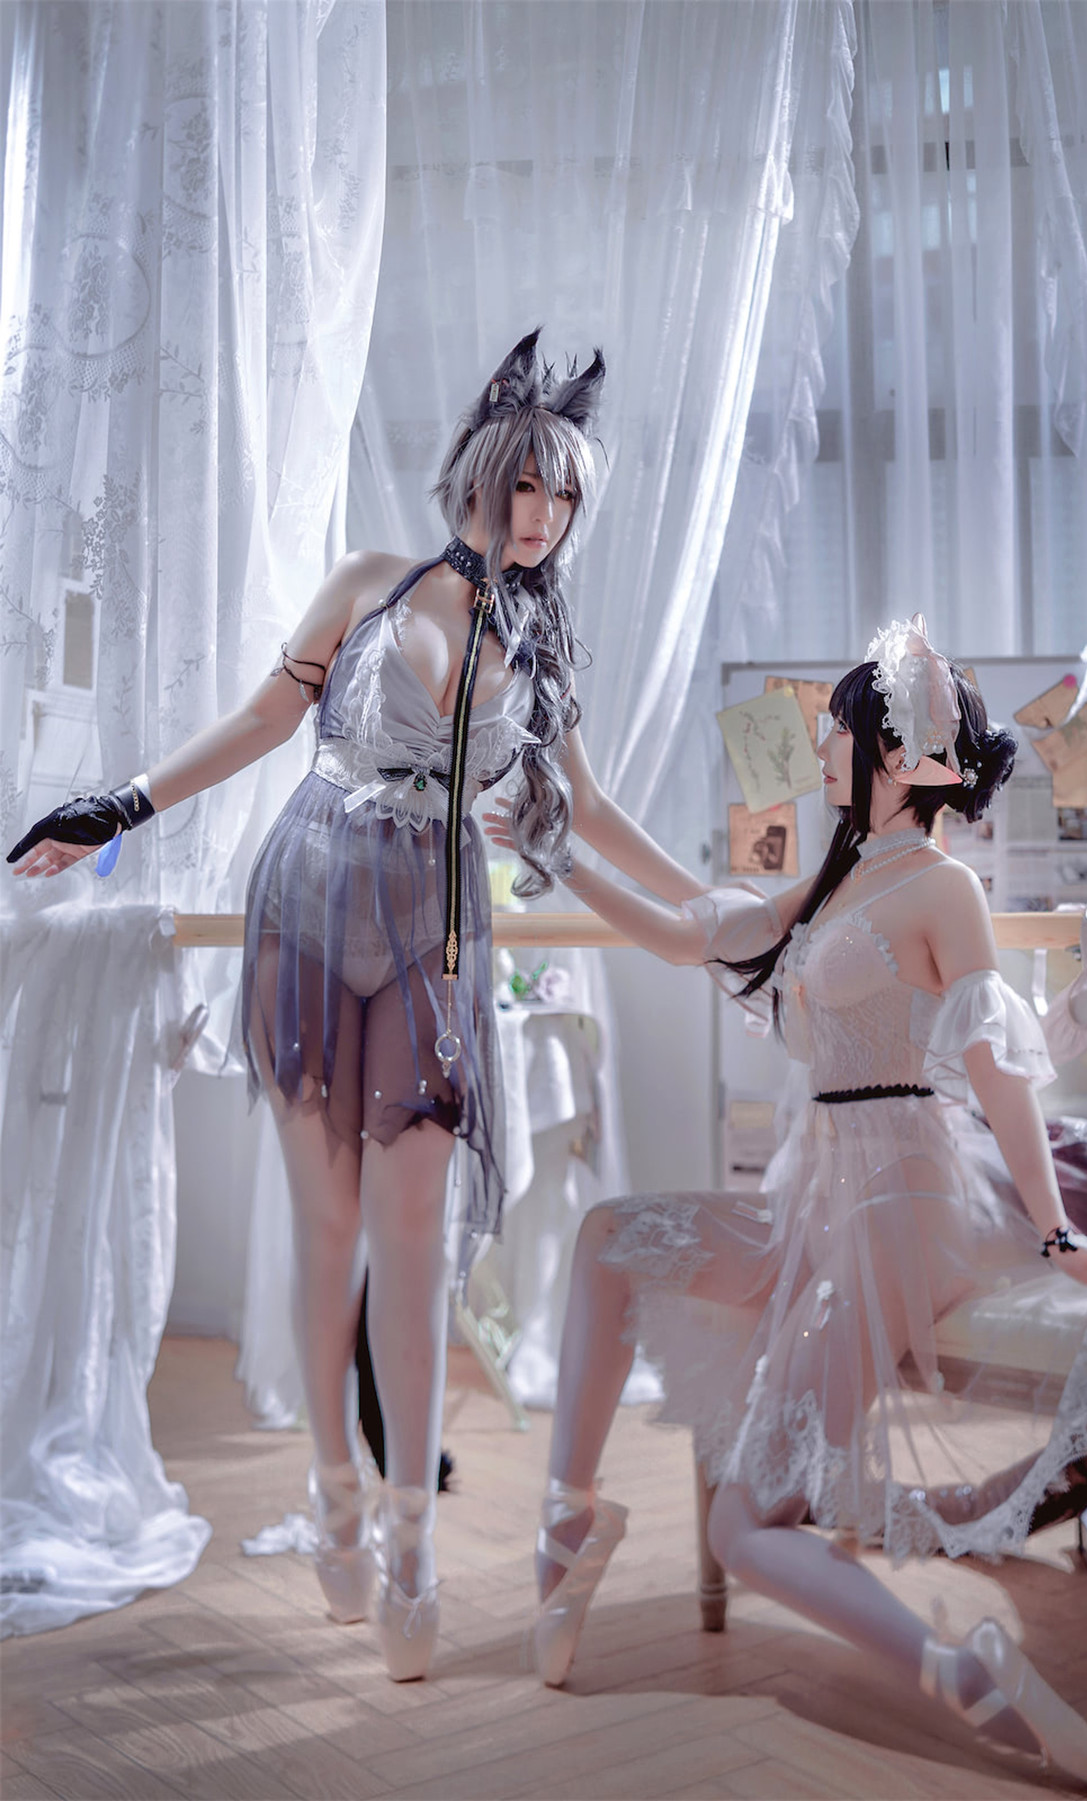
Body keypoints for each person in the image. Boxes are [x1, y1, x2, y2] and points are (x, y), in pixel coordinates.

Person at [7, 330, 707, 1681]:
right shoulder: (369, 584)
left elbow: (591, 811)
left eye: (566, 494)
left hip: (433, 930)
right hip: (310, 902)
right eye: (528, 483)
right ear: (480, 473)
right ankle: (333, 1486)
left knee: (418, 1242)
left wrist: (714, 905)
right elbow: (263, 723)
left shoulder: (541, 651)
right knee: (327, 1233)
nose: (544, 514)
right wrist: (119, 806)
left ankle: (411, 1542)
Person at [487, 616, 1087, 1789]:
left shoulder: (943, 888)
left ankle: (966, 1676)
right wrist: (559, 854)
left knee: (744, 1523)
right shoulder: (845, 875)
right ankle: (568, 1523)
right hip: (822, 1192)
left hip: (901, 1205)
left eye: (840, 729)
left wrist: (1058, 1231)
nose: (821, 744)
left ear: (898, 752)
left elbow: (999, 1072)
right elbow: (689, 932)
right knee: (610, 1238)